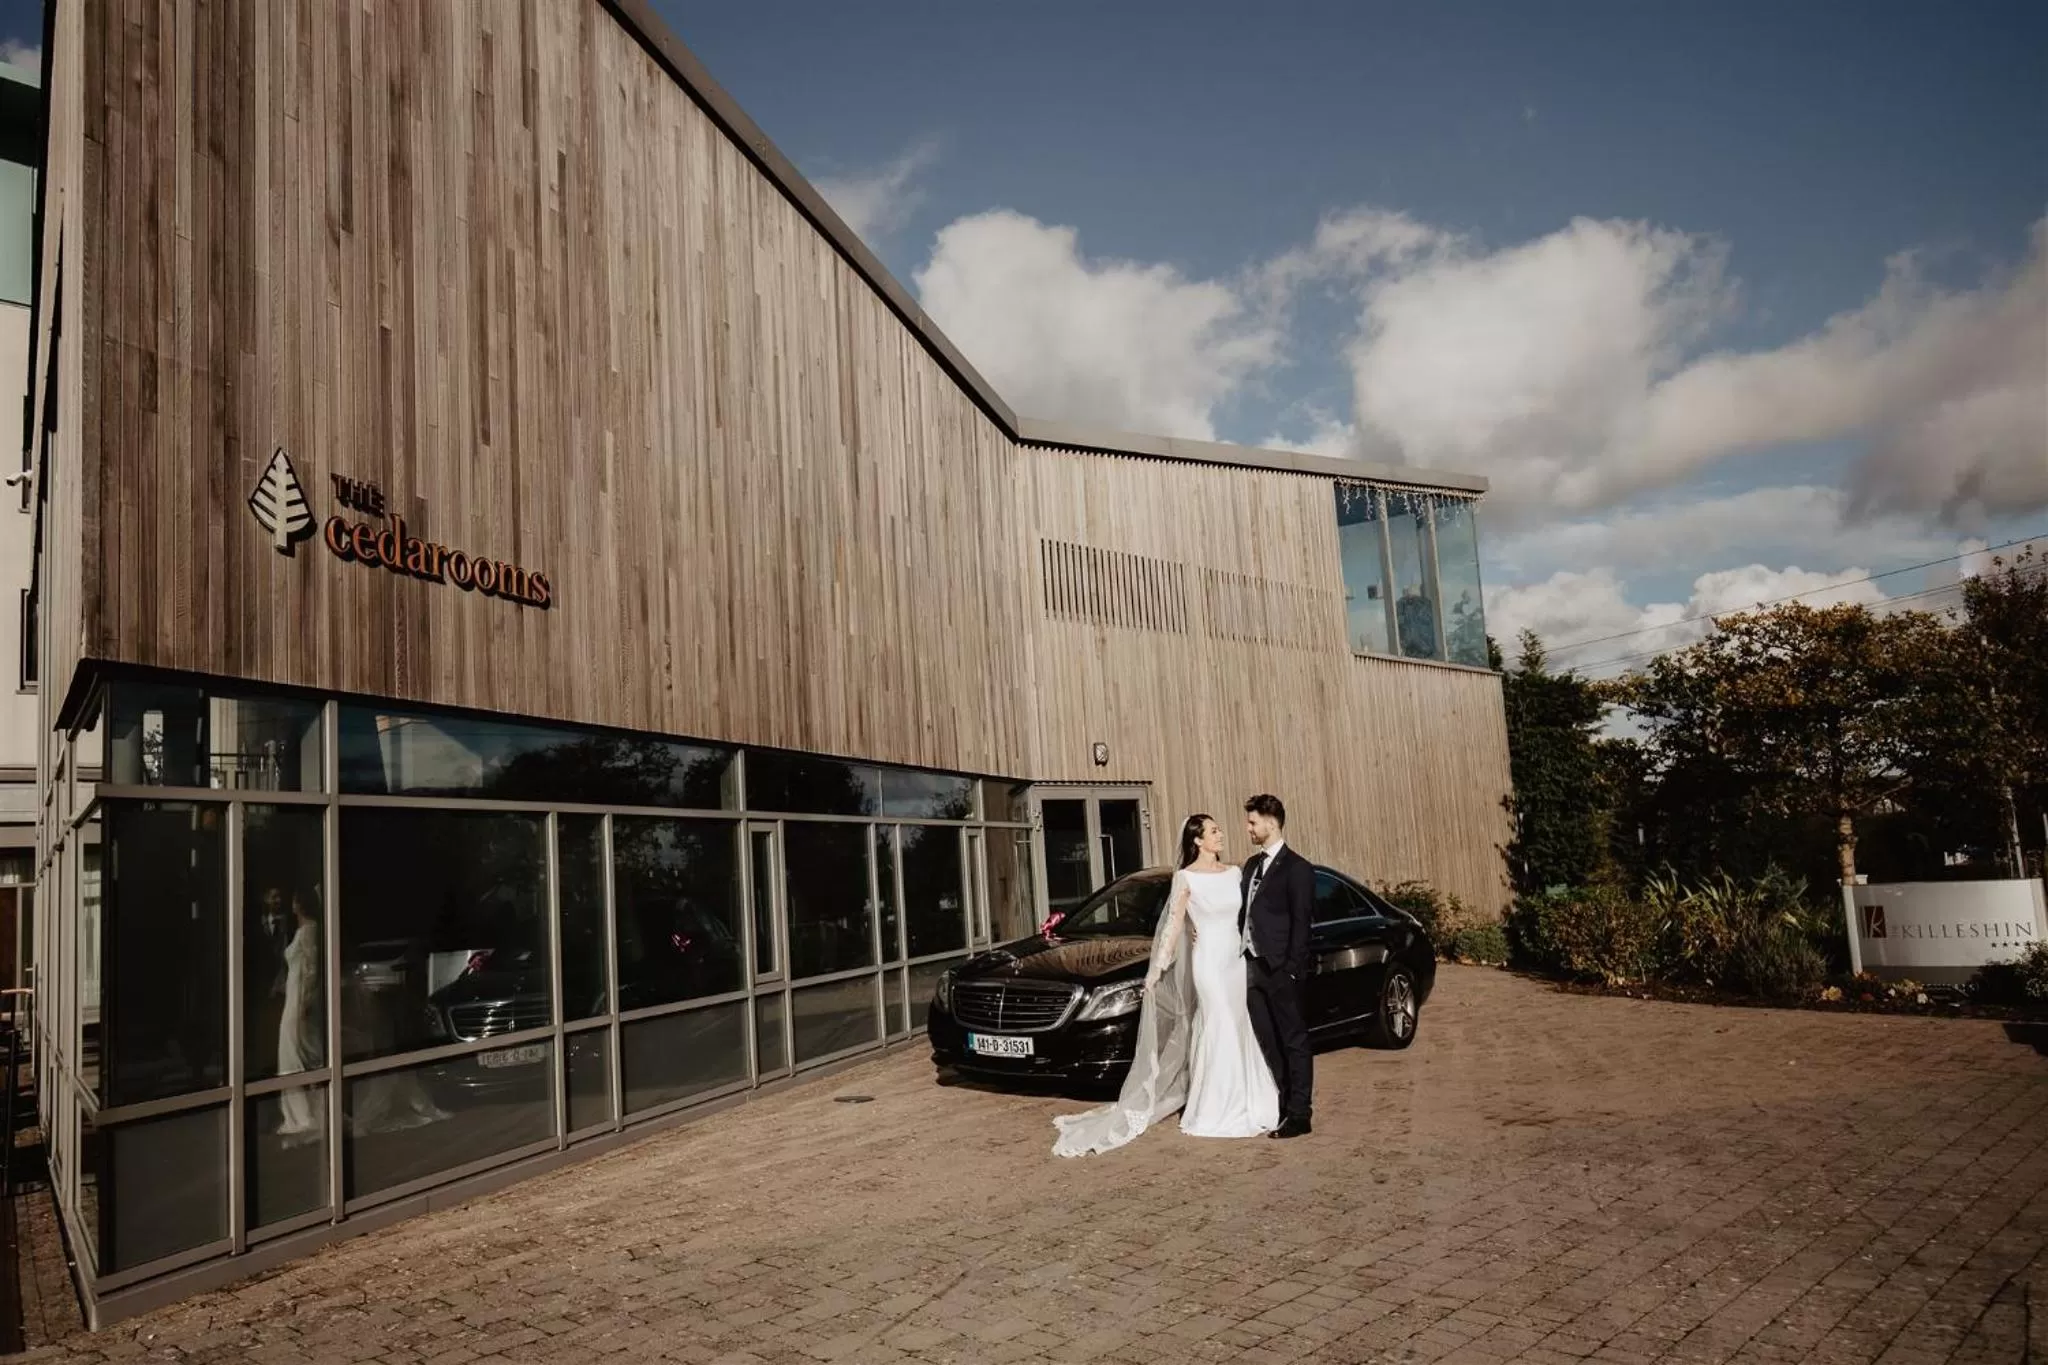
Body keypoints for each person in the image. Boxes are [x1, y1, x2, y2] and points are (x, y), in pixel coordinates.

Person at [1050, 814, 1279, 1157]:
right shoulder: (1185, 878)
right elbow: (1173, 925)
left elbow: (1249, 917)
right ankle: (1216, 1108)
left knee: (1238, 1024)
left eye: (1219, 829)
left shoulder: (1235, 873)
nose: (1220, 835)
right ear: (1197, 840)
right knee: (1219, 1024)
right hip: (1209, 965)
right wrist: (1156, 970)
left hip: (1235, 962)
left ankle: (1250, 1100)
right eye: (1213, 831)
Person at [1239, 793, 1315, 1138]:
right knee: (1268, 1041)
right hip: (1252, 968)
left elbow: (1302, 924)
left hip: (1281, 970)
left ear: (1271, 822)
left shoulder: (1298, 869)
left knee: (1293, 1041)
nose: (1248, 828)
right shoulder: (1251, 866)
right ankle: (1283, 1106)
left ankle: (1300, 1114)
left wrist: (1291, 970)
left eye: (1253, 821)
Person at [276, 888, 326, 1144]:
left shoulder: (309, 930)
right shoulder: (302, 930)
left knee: (296, 1053)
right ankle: (301, 1113)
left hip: (299, 1002)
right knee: (292, 1053)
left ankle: (305, 1116)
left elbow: (311, 969)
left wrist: (306, 1001)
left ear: (299, 904)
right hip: (292, 997)